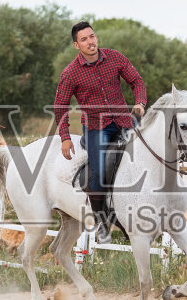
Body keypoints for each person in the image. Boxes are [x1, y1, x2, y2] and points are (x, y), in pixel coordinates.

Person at [54, 21, 146, 242]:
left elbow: (136, 81)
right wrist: (65, 138)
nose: (90, 42)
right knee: (101, 174)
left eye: (92, 36)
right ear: (77, 45)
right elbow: (60, 106)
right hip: (97, 127)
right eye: (84, 39)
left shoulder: (115, 57)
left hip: (124, 121)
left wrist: (140, 102)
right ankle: (102, 222)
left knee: (145, 159)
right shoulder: (71, 73)